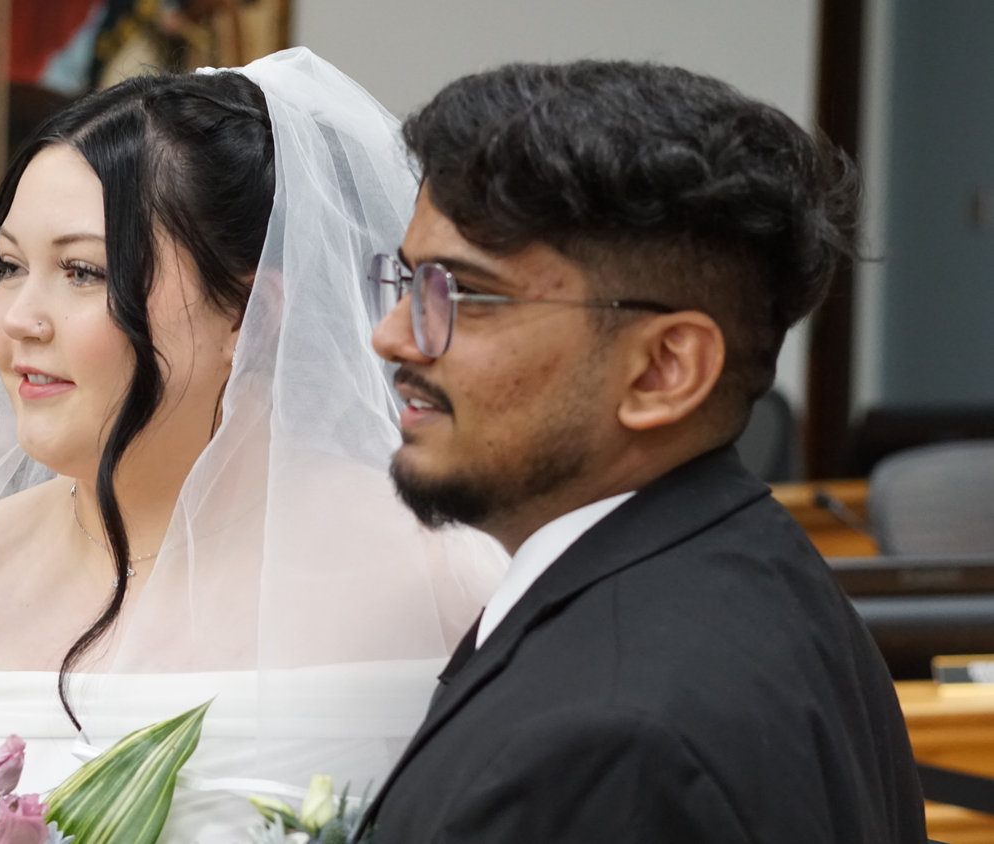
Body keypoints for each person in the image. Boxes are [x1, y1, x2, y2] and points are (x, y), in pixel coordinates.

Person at [0, 48, 503, 842]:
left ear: (249, 316)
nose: (18, 320)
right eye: (10, 267)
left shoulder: (442, 580)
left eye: (82, 271)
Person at [357, 61, 927, 842]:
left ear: (664, 370)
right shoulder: (747, 564)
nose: (391, 336)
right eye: (411, 282)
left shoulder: (606, 740)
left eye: (463, 294)